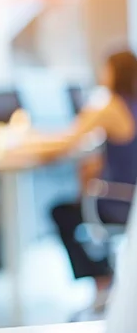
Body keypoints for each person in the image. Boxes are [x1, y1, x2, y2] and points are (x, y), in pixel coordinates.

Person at [51, 49, 137, 309]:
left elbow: (69, 139)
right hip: (131, 198)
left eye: (105, 68)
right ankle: (105, 277)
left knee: (60, 213)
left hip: (118, 200)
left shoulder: (111, 106)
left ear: (114, 73)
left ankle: (102, 278)